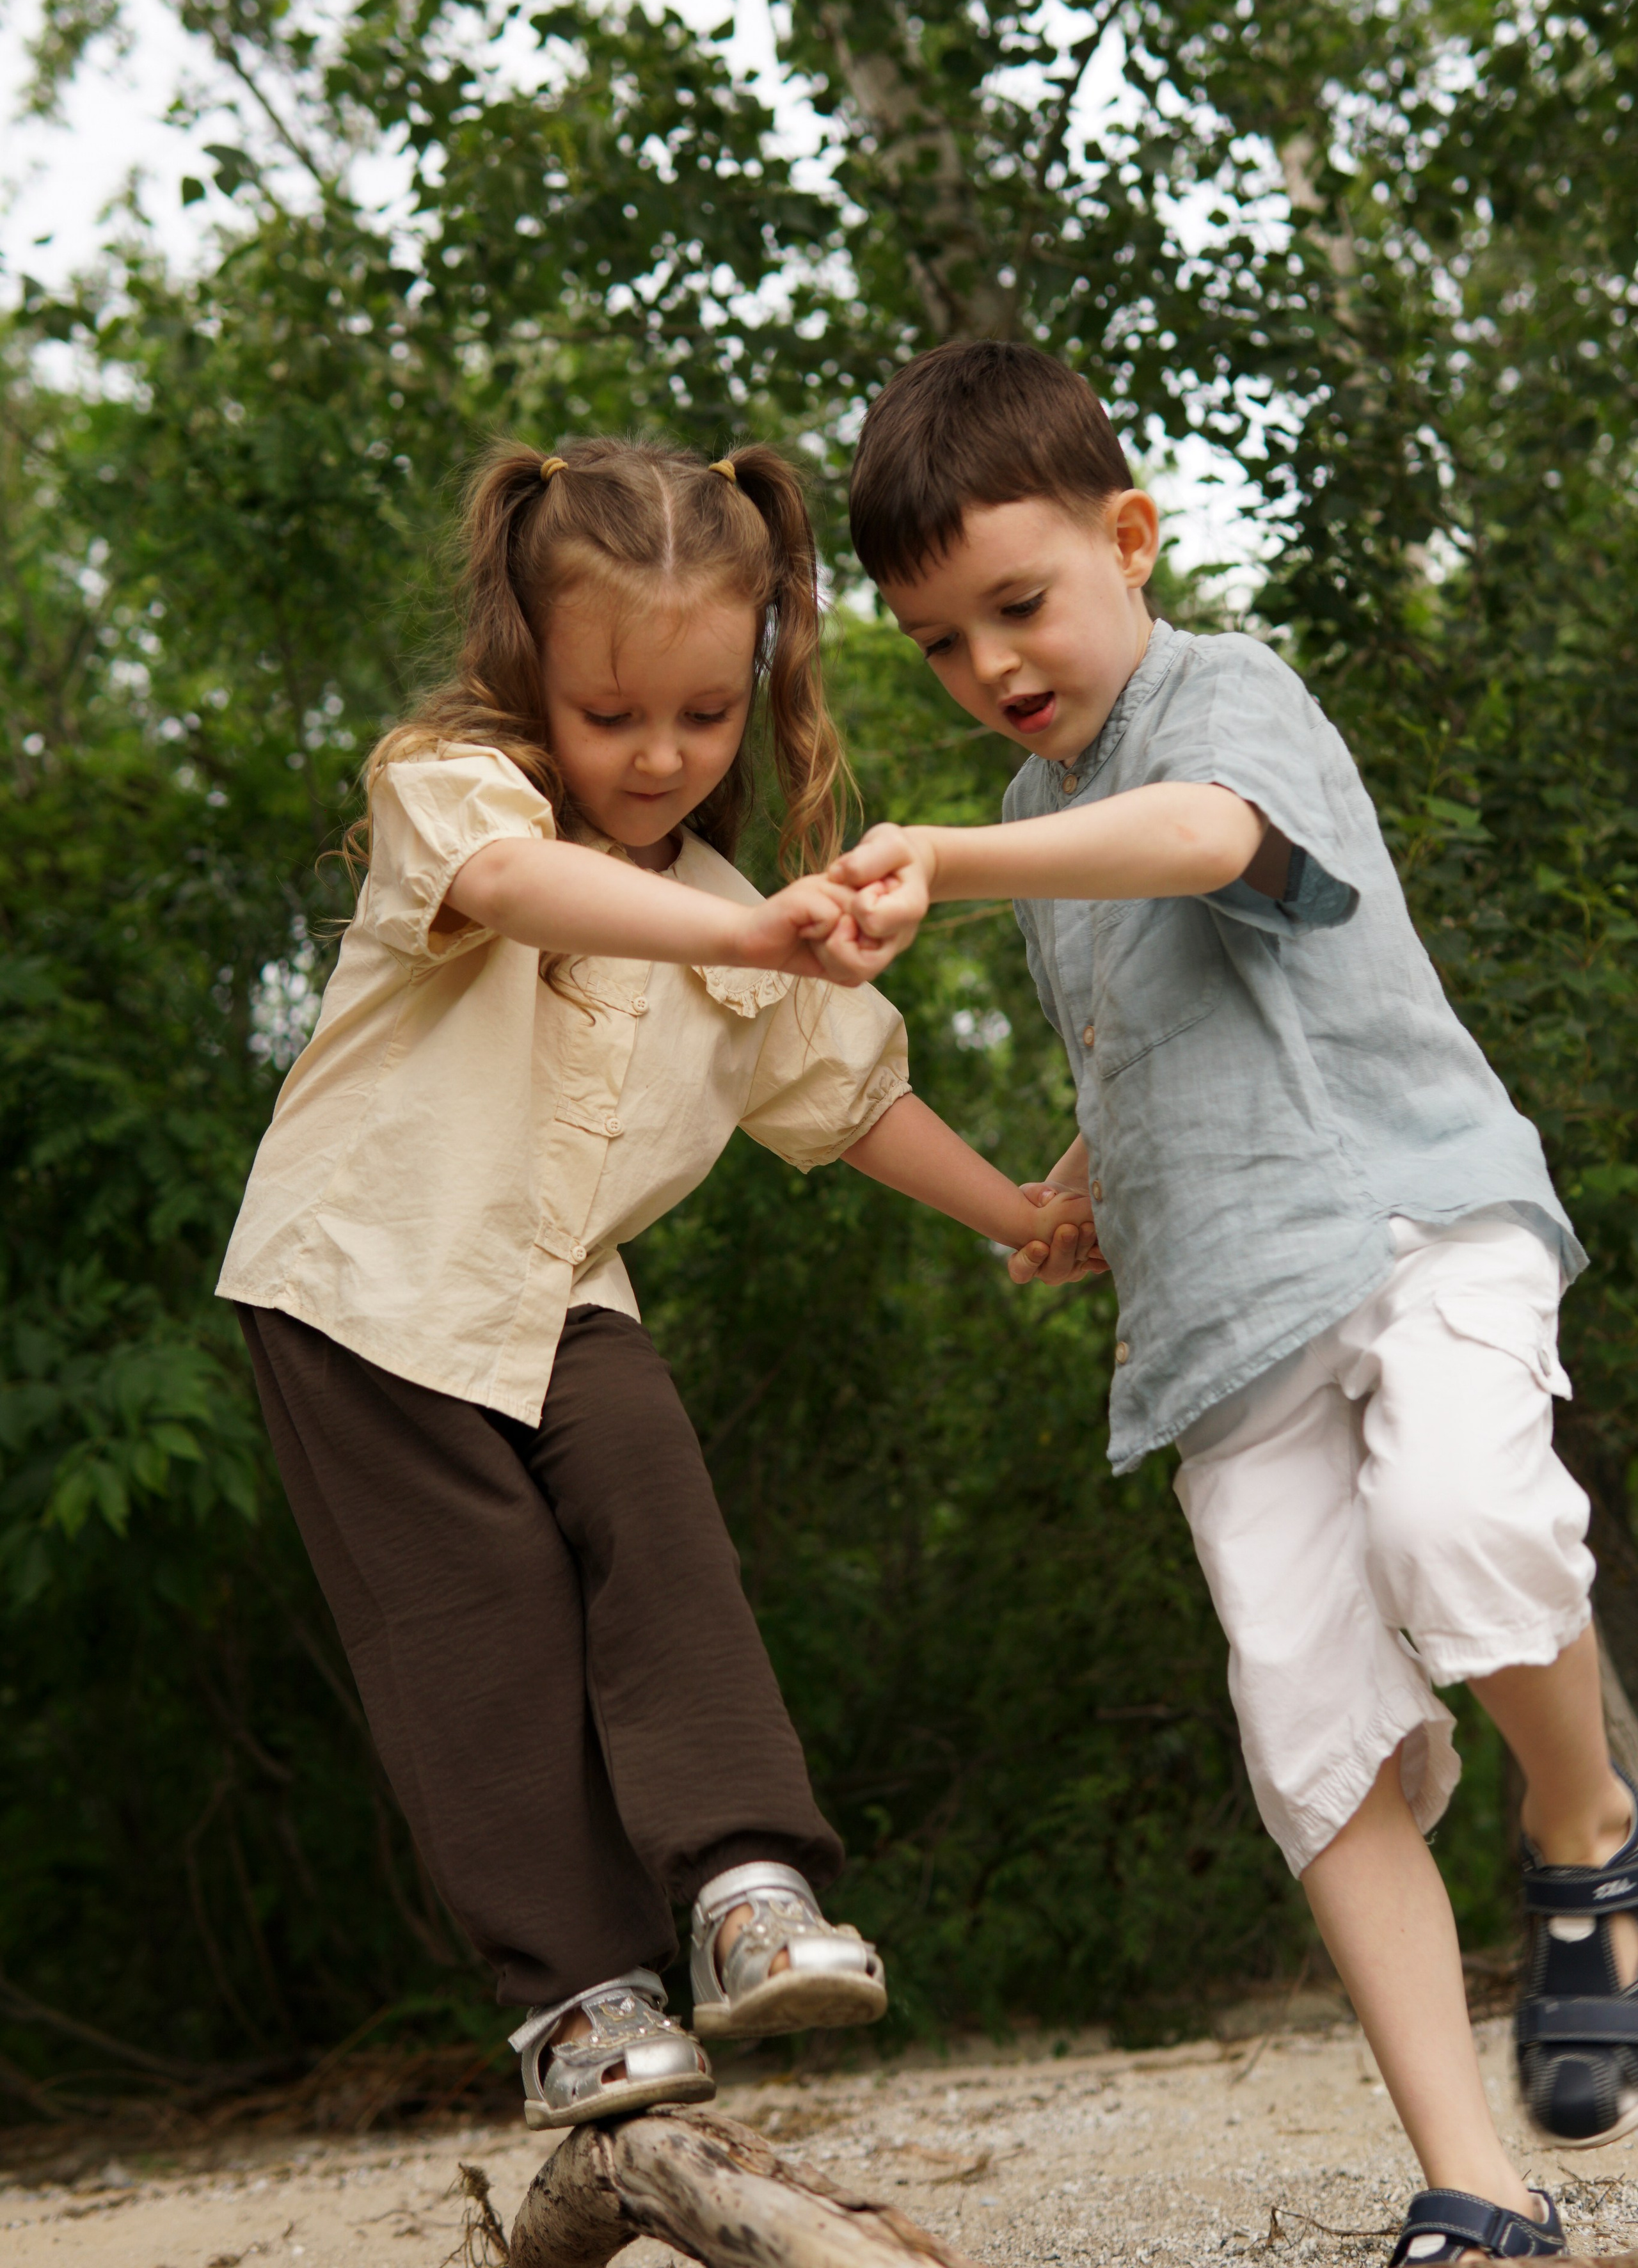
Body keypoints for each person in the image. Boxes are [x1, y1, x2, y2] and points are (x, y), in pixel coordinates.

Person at [829, 340, 1634, 2267]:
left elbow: (1211, 843)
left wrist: (938, 862)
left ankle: (1587, 1825)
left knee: (1466, 1521)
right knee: (1311, 1730)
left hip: (1411, 1218)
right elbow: (1138, 1037)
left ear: (1129, 535)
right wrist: (1075, 1200)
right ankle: (1478, 2183)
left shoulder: (1223, 694)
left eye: (1018, 604)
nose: (993, 668)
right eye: (940, 644)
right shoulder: (1037, 843)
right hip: (1219, 1325)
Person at [219, 435, 1095, 2131]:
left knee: (660, 1513)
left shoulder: (728, 912)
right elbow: (511, 889)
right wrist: (750, 936)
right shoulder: (453, 790)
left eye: (702, 717)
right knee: (481, 1630)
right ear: (526, 666)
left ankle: (749, 1886)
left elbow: (852, 1098)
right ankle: (574, 1996)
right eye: (611, 716)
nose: (658, 755)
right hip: (362, 1289)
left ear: (753, 677)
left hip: (560, 1299)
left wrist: (1015, 1213)